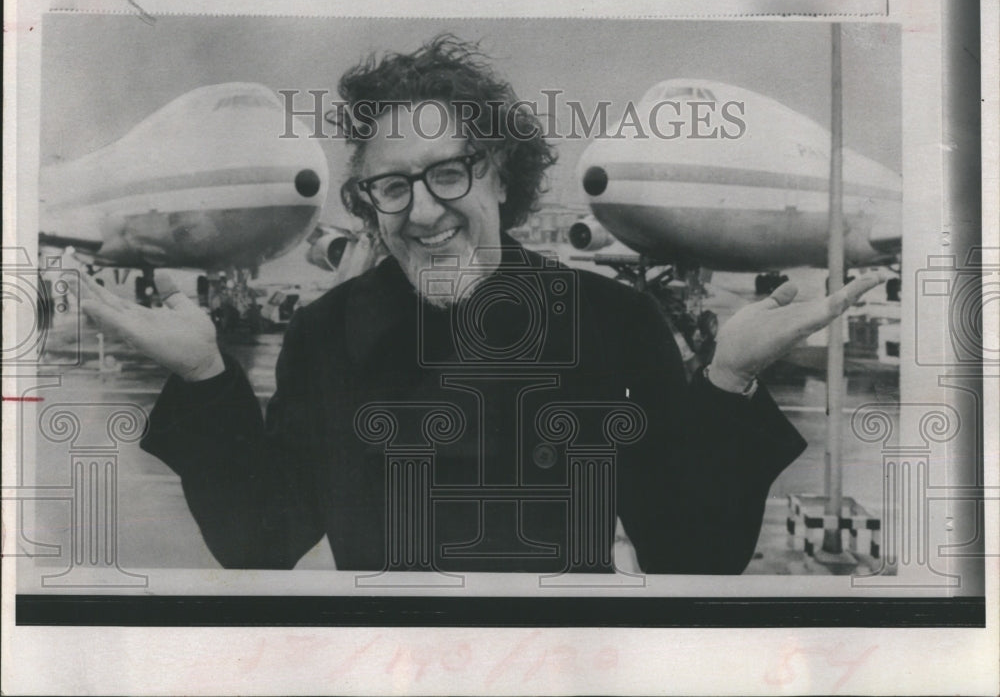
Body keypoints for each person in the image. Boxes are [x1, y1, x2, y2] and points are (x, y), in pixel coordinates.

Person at [81, 36, 887, 574]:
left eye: (449, 173)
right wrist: (204, 377)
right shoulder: (327, 335)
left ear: (501, 174)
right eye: (390, 185)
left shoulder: (612, 324)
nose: (422, 210)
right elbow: (260, 542)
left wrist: (730, 379)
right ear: (367, 201)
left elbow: (691, 553)